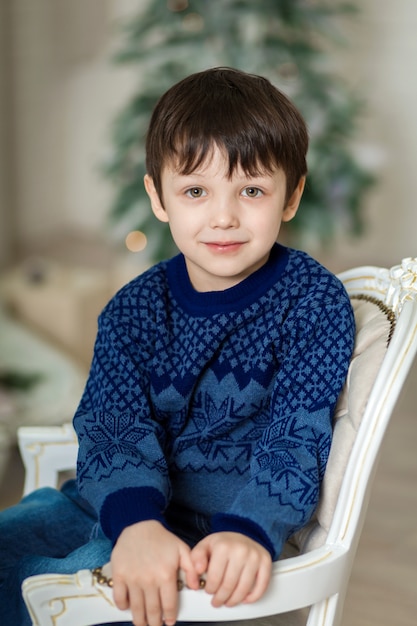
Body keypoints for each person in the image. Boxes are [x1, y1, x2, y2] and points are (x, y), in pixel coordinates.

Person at [0, 67, 355, 626]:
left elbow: (297, 437)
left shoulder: (312, 304)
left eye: (252, 190)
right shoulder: (133, 310)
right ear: (158, 198)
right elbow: (112, 424)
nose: (224, 216)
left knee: (90, 588)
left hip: (210, 532)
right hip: (112, 501)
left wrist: (250, 528)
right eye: (195, 190)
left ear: (292, 195)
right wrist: (136, 522)